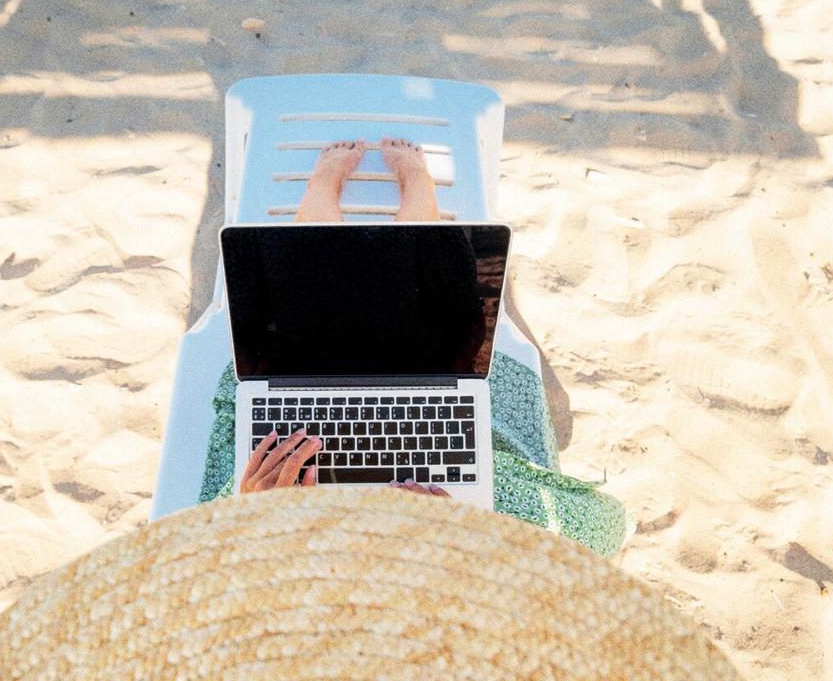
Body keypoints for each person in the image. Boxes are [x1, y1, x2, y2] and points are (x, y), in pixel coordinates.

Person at [198, 138, 629, 555]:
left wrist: (257, 520)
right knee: (435, 321)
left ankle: (326, 190)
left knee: (309, 312)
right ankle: (416, 193)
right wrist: (459, 538)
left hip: (296, 475)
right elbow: (607, 525)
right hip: (430, 409)